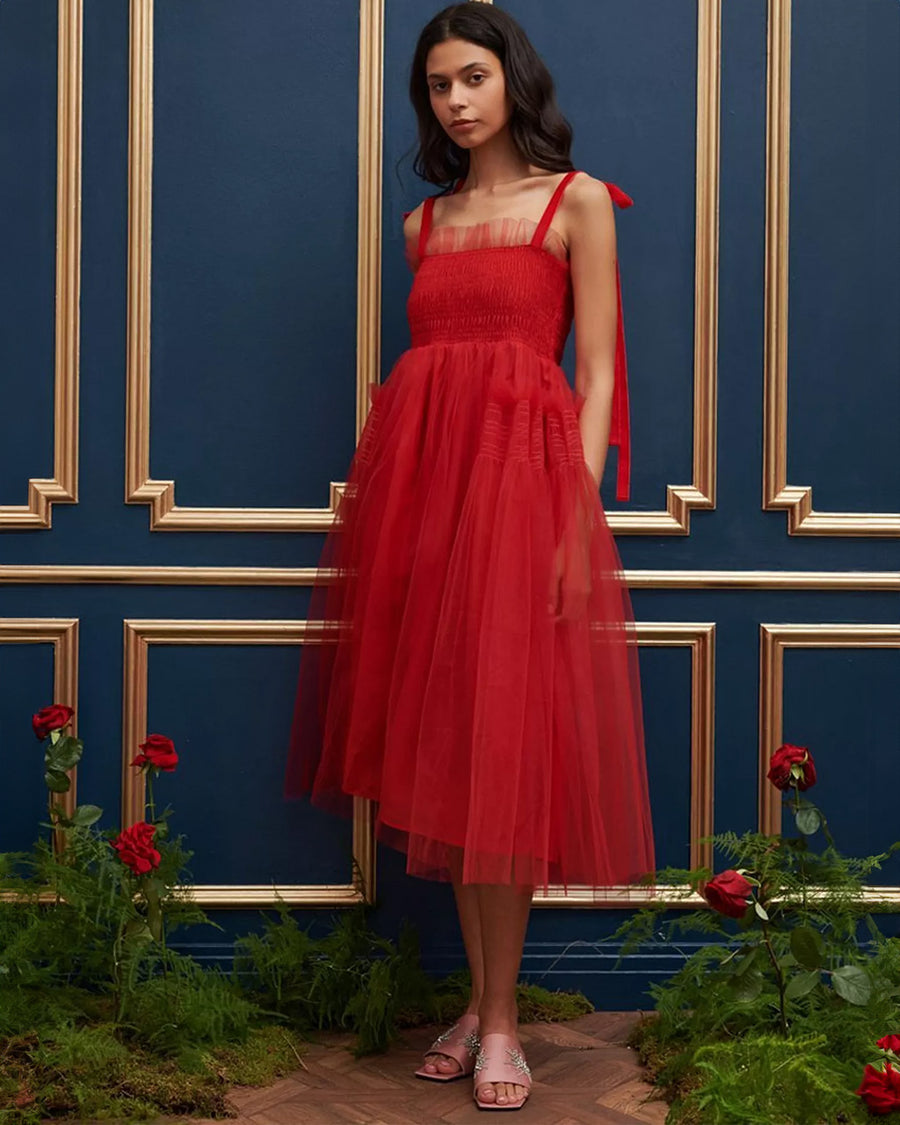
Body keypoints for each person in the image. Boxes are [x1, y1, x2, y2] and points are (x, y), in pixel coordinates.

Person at [284, 3, 656, 1111]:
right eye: (437, 85)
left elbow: (594, 379)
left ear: (512, 81)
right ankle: (483, 1006)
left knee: (506, 757)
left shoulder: (576, 203)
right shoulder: (423, 225)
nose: (452, 99)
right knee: (453, 761)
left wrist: (570, 528)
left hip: (526, 506)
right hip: (426, 511)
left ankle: (499, 1022)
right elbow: (427, 383)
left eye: (471, 77)